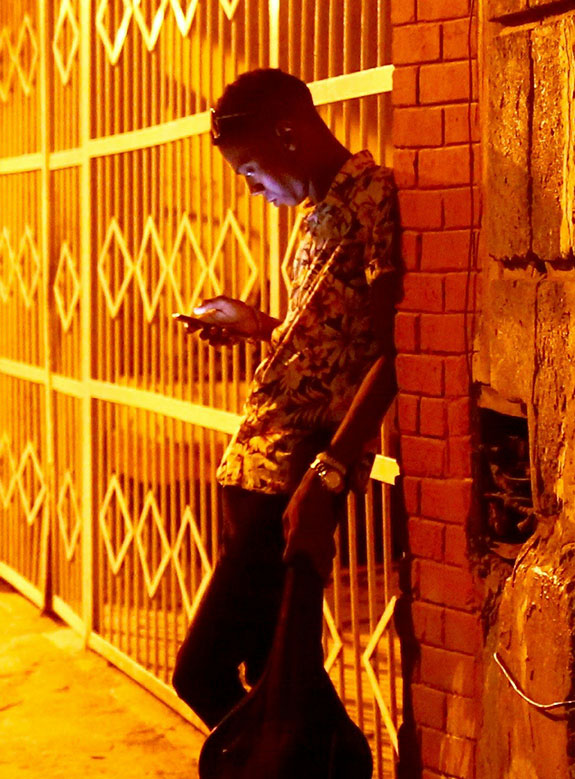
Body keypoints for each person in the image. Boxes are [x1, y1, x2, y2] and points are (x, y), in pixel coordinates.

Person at [171, 68, 401, 730]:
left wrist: (329, 470)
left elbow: (391, 351)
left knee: (202, 672)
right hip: (254, 467)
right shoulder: (310, 214)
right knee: (273, 675)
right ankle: (317, 764)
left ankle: (303, 765)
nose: (250, 187)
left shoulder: (373, 195)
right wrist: (258, 326)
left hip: (295, 473)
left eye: (250, 168)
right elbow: (329, 338)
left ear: (288, 134)